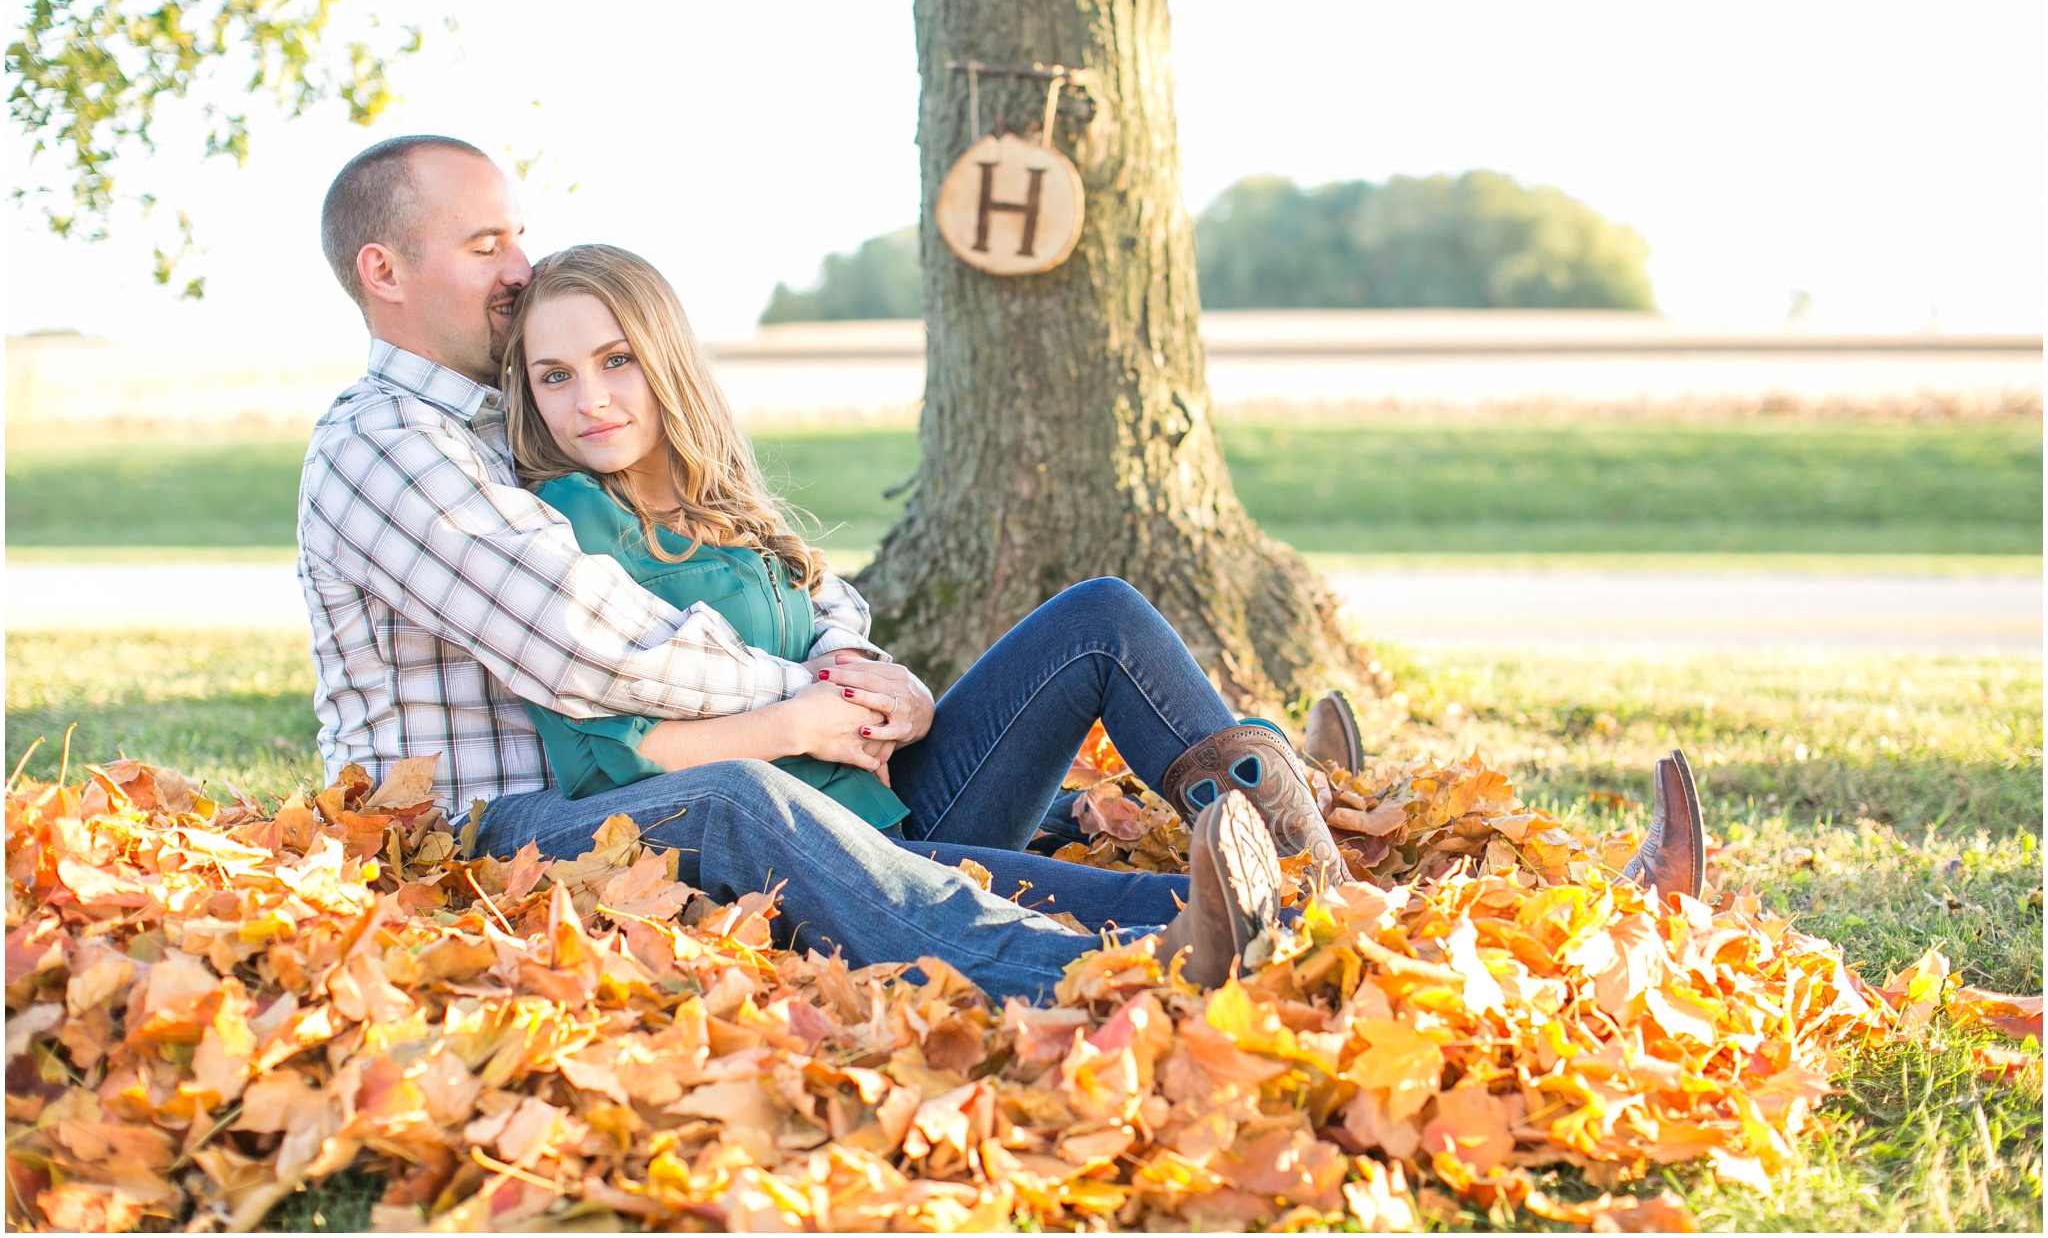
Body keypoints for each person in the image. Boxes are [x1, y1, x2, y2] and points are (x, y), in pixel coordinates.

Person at [298, 135, 1704, 1002]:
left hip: (795, 774)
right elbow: (591, 649)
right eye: (488, 243)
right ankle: (1163, 958)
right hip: (503, 830)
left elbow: (769, 576)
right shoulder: (389, 445)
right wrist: (808, 702)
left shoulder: (514, 425)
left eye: (521, 244)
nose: (516, 267)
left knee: (1092, 624)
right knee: (781, 811)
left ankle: (1406, 900)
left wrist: (874, 672)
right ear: (384, 270)